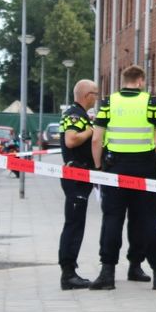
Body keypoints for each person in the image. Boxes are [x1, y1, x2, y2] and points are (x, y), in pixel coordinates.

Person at [88, 65, 156, 291]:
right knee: (148, 221)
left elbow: (96, 140)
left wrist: (98, 167)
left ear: (123, 80)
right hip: (145, 170)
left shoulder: (108, 103)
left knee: (112, 220)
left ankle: (107, 273)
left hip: (115, 169)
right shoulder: (151, 102)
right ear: (141, 81)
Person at [58, 79, 100, 290]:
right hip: (76, 175)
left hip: (81, 175)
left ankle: (70, 270)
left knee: (76, 224)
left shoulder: (80, 115)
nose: (97, 97)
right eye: (95, 93)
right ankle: (68, 273)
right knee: (74, 224)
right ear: (86, 95)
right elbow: (71, 140)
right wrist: (91, 131)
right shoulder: (74, 115)